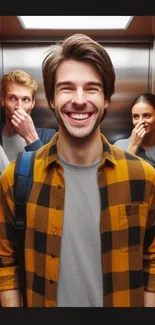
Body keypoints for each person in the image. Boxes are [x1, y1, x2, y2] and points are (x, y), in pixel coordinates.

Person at [0, 34, 155, 307]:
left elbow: (151, 266)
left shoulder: (144, 178)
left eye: (92, 88)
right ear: (50, 99)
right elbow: (7, 264)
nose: (80, 100)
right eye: (66, 88)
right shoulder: (16, 178)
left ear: (107, 98)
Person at [0, 69, 56, 166]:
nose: (19, 106)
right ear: (3, 101)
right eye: (12, 98)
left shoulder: (49, 137)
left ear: (32, 103)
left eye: (25, 99)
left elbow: (51, 176)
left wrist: (31, 138)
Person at [114, 93, 155, 167]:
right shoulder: (119, 146)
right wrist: (132, 147)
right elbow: (119, 176)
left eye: (147, 116)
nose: (140, 122)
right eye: (135, 116)